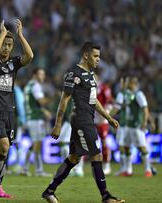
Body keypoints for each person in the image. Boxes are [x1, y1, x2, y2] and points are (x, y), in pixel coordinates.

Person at [41, 42, 124, 203]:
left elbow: (94, 101)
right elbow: (64, 100)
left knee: (73, 158)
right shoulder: (74, 74)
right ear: (86, 55)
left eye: (99, 56)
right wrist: (57, 124)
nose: (98, 59)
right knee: (96, 155)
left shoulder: (91, 76)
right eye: (95, 56)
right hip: (81, 120)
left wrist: (108, 117)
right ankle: (106, 196)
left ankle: (49, 191)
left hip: (87, 119)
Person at [0, 19, 33, 198]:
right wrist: (3, 33)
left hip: (9, 111)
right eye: (4, 44)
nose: (6, 47)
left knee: (4, 150)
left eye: (10, 45)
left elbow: (30, 56)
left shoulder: (13, 63)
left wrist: (20, 35)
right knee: (3, 145)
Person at [111, 76, 155, 177]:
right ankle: (128, 170)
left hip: (136, 126)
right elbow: (117, 106)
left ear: (133, 83)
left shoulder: (138, 94)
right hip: (126, 125)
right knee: (125, 147)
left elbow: (145, 109)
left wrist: (146, 122)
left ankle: (148, 169)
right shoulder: (124, 94)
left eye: (127, 82)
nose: (125, 83)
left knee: (142, 148)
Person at [23, 68, 52, 177]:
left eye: (43, 74)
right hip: (35, 119)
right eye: (40, 74)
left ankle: (24, 169)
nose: (42, 77)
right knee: (38, 144)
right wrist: (53, 98)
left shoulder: (28, 86)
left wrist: (44, 111)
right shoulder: (35, 86)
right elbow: (41, 101)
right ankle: (39, 170)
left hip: (31, 117)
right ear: (35, 75)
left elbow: (34, 103)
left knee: (34, 144)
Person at [95, 78, 114, 175]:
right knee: (86, 141)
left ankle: (107, 165)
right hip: (91, 118)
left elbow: (110, 103)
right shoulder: (88, 87)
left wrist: (105, 115)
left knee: (104, 142)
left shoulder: (105, 88)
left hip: (102, 119)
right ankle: (79, 167)